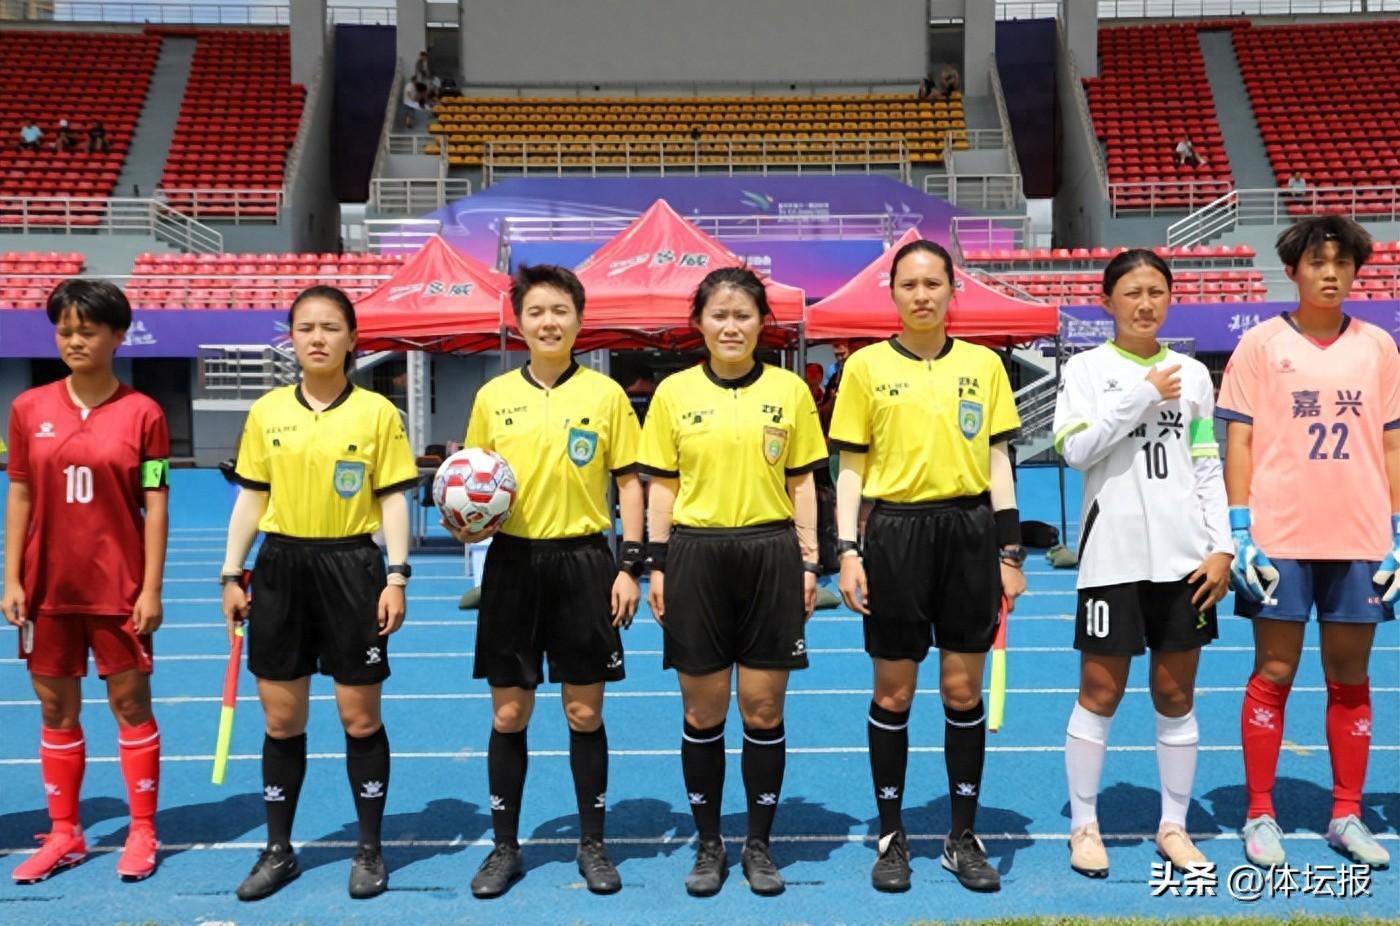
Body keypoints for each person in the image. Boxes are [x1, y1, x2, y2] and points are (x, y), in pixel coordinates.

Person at [830, 239, 1026, 894]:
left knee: (963, 692)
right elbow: (850, 468)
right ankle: (891, 836)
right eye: (909, 284)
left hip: (969, 533)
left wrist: (1009, 552)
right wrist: (847, 551)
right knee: (894, 692)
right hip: (895, 535)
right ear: (892, 292)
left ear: (952, 289)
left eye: (933, 283)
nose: (922, 295)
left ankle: (961, 836)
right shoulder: (864, 368)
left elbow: (999, 463)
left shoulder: (984, 365)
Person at [448, 265, 645, 898]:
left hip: (586, 563)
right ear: (519, 322)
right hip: (512, 564)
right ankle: (505, 847)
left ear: (579, 321)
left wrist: (629, 565)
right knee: (509, 714)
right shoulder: (493, 397)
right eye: (536, 311)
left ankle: (593, 843)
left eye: (560, 310)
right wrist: (461, 518)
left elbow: (628, 482)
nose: (549, 322)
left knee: (584, 712)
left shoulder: (606, 396)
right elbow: (469, 477)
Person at [221, 285, 418, 901]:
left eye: (330, 327)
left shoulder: (378, 414)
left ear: (352, 338)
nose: (317, 337)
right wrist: (231, 573)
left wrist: (396, 575)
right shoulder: (266, 411)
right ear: (291, 337)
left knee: (360, 718)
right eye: (305, 327)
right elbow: (252, 496)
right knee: (282, 720)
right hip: (281, 568)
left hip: (352, 568)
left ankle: (369, 848)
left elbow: (392, 498)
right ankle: (279, 850)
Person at [639, 266, 827, 897]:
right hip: (696, 555)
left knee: (764, 707)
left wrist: (809, 561)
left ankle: (759, 845)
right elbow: (661, 487)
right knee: (703, 709)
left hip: (771, 554)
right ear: (698, 322)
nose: (730, 326)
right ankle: (709, 844)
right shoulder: (673, 394)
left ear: (761, 323)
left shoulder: (789, 391)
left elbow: (803, 483)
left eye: (742, 315)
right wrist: (657, 563)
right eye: (718, 315)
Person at [1217, 215, 1395, 870]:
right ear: (1292, 271)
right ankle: (1260, 812)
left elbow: (1392, 443)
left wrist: (1398, 532)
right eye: (1317, 262)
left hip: (1361, 537)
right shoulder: (1261, 345)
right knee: (1274, 673)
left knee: (1351, 679)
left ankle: (1346, 814)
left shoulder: (1379, 347)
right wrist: (1240, 529)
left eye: (1342, 263)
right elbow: (1239, 439)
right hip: (1280, 537)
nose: (1330, 274)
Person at [1052, 249, 1233, 878]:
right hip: (1112, 557)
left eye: (1156, 291)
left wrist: (1222, 545)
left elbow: (1205, 463)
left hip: (1185, 561)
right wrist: (1141, 395)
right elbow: (1076, 449)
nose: (1145, 303)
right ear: (1107, 302)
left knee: (1176, 694)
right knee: (1100, 692)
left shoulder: (1195, 374)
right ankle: (1084, 825)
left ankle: (1173, 826)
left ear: (1170, 298)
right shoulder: (1085, 370)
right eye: (1132, 292)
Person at [3, 279, 170, 884]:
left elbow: (156, 503)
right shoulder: (28, 409)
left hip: (118, 589)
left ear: (118, 336)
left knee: (130, 704)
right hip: (48, 590)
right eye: (64, 330)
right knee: (55, 708)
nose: (74, 340)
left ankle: (143, 830)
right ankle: (65, 833)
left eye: (88, 330)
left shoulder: (144, 414)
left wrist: (150, 588)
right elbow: (20, 493)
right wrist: (11, 577)